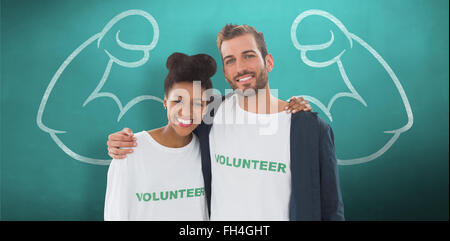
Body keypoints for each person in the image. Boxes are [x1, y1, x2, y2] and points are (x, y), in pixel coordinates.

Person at [107, 24, 343, 221]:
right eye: (230, 60)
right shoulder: (212, 113)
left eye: (249, 56)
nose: (240, 67)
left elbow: (331, 208)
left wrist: (298, 108)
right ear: (225, 71)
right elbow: (178, 124)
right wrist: (126, 141)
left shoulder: (309, 129)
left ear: (268, 62)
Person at [104, 53, 215, 220]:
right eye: (178, 101)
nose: (186, 111)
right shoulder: (130, 150)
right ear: (165, 102)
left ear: (206, 108)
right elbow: (115, 215)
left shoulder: (208, 151)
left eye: (198, 103)